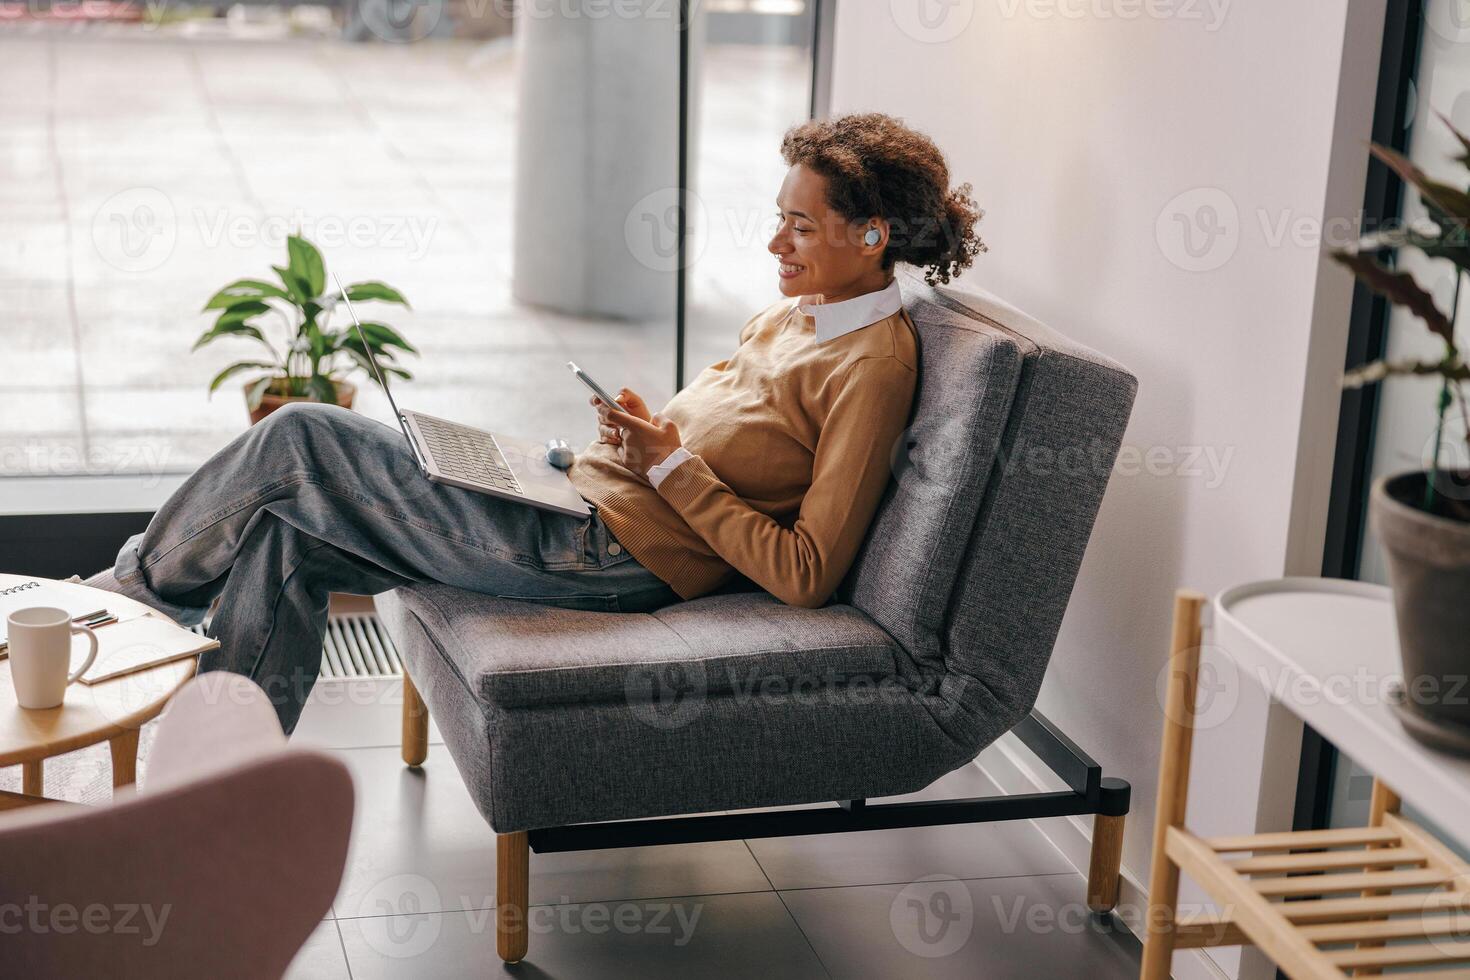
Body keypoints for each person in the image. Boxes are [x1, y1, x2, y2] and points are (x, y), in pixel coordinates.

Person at [85, 113, 985, 732]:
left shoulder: (873, 367)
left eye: (799, 225)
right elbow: (720, 442)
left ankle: (125, 596)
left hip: (607, 558)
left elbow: (806, 574)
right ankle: (212, 789)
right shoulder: (801, 313)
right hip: (573, 503)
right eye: (776, 219)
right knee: (287, 536)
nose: (774, 244)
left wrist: (670, 468)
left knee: (302, 436)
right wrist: (644, 431)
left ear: (872, 236)